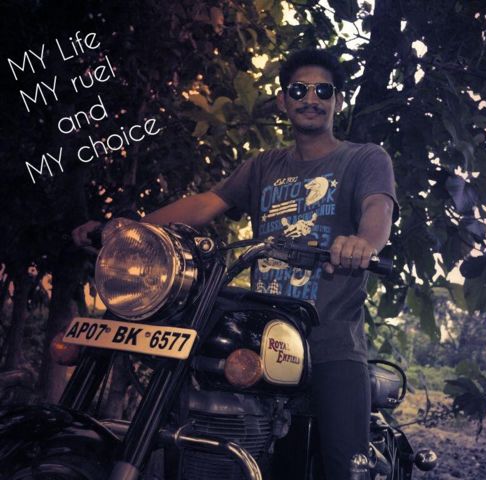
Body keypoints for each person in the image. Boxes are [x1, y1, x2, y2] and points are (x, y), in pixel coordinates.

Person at [73, 48, 397, 478]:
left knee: (346, 467)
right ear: (283, 101)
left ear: (338, 101)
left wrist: (362, 244)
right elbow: (206, 203)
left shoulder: (364, 158)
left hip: (330, 340)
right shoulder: (264, 166)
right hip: (264, 339)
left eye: (323, 91)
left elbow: (378, 208)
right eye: (299, 90)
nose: (311, 99)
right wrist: (130, 230)